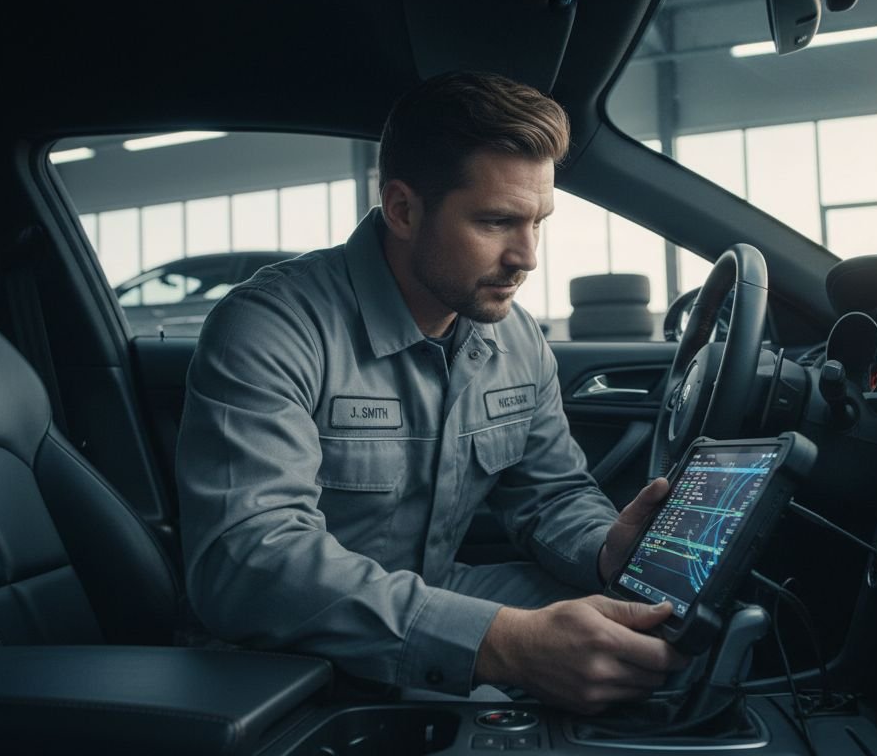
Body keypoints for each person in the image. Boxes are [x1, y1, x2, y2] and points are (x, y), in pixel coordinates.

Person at [176, 71, 687, 714]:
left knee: (643, 634)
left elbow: (549, 493)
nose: (527, 257)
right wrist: (502, 645)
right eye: (497, 221)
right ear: (403, 209)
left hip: (437, 594)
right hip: (273, 658)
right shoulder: (274, 324)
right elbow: (250, 561)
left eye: (538, 223)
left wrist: (605, 549)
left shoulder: (517, 339)